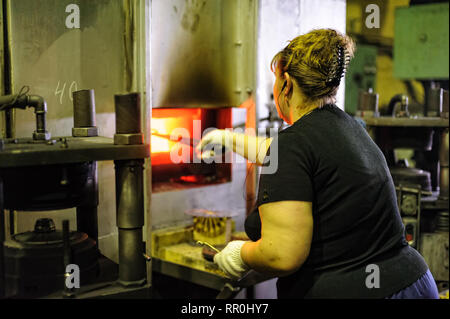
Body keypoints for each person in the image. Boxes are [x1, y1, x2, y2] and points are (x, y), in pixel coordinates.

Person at [196, 29, 439, 299]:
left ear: (286, 84)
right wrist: (227, 138)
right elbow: (286, 155)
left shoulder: (295, 143)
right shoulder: (349, 128)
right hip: (414, 282)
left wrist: (239, 255)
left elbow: (282, 255)